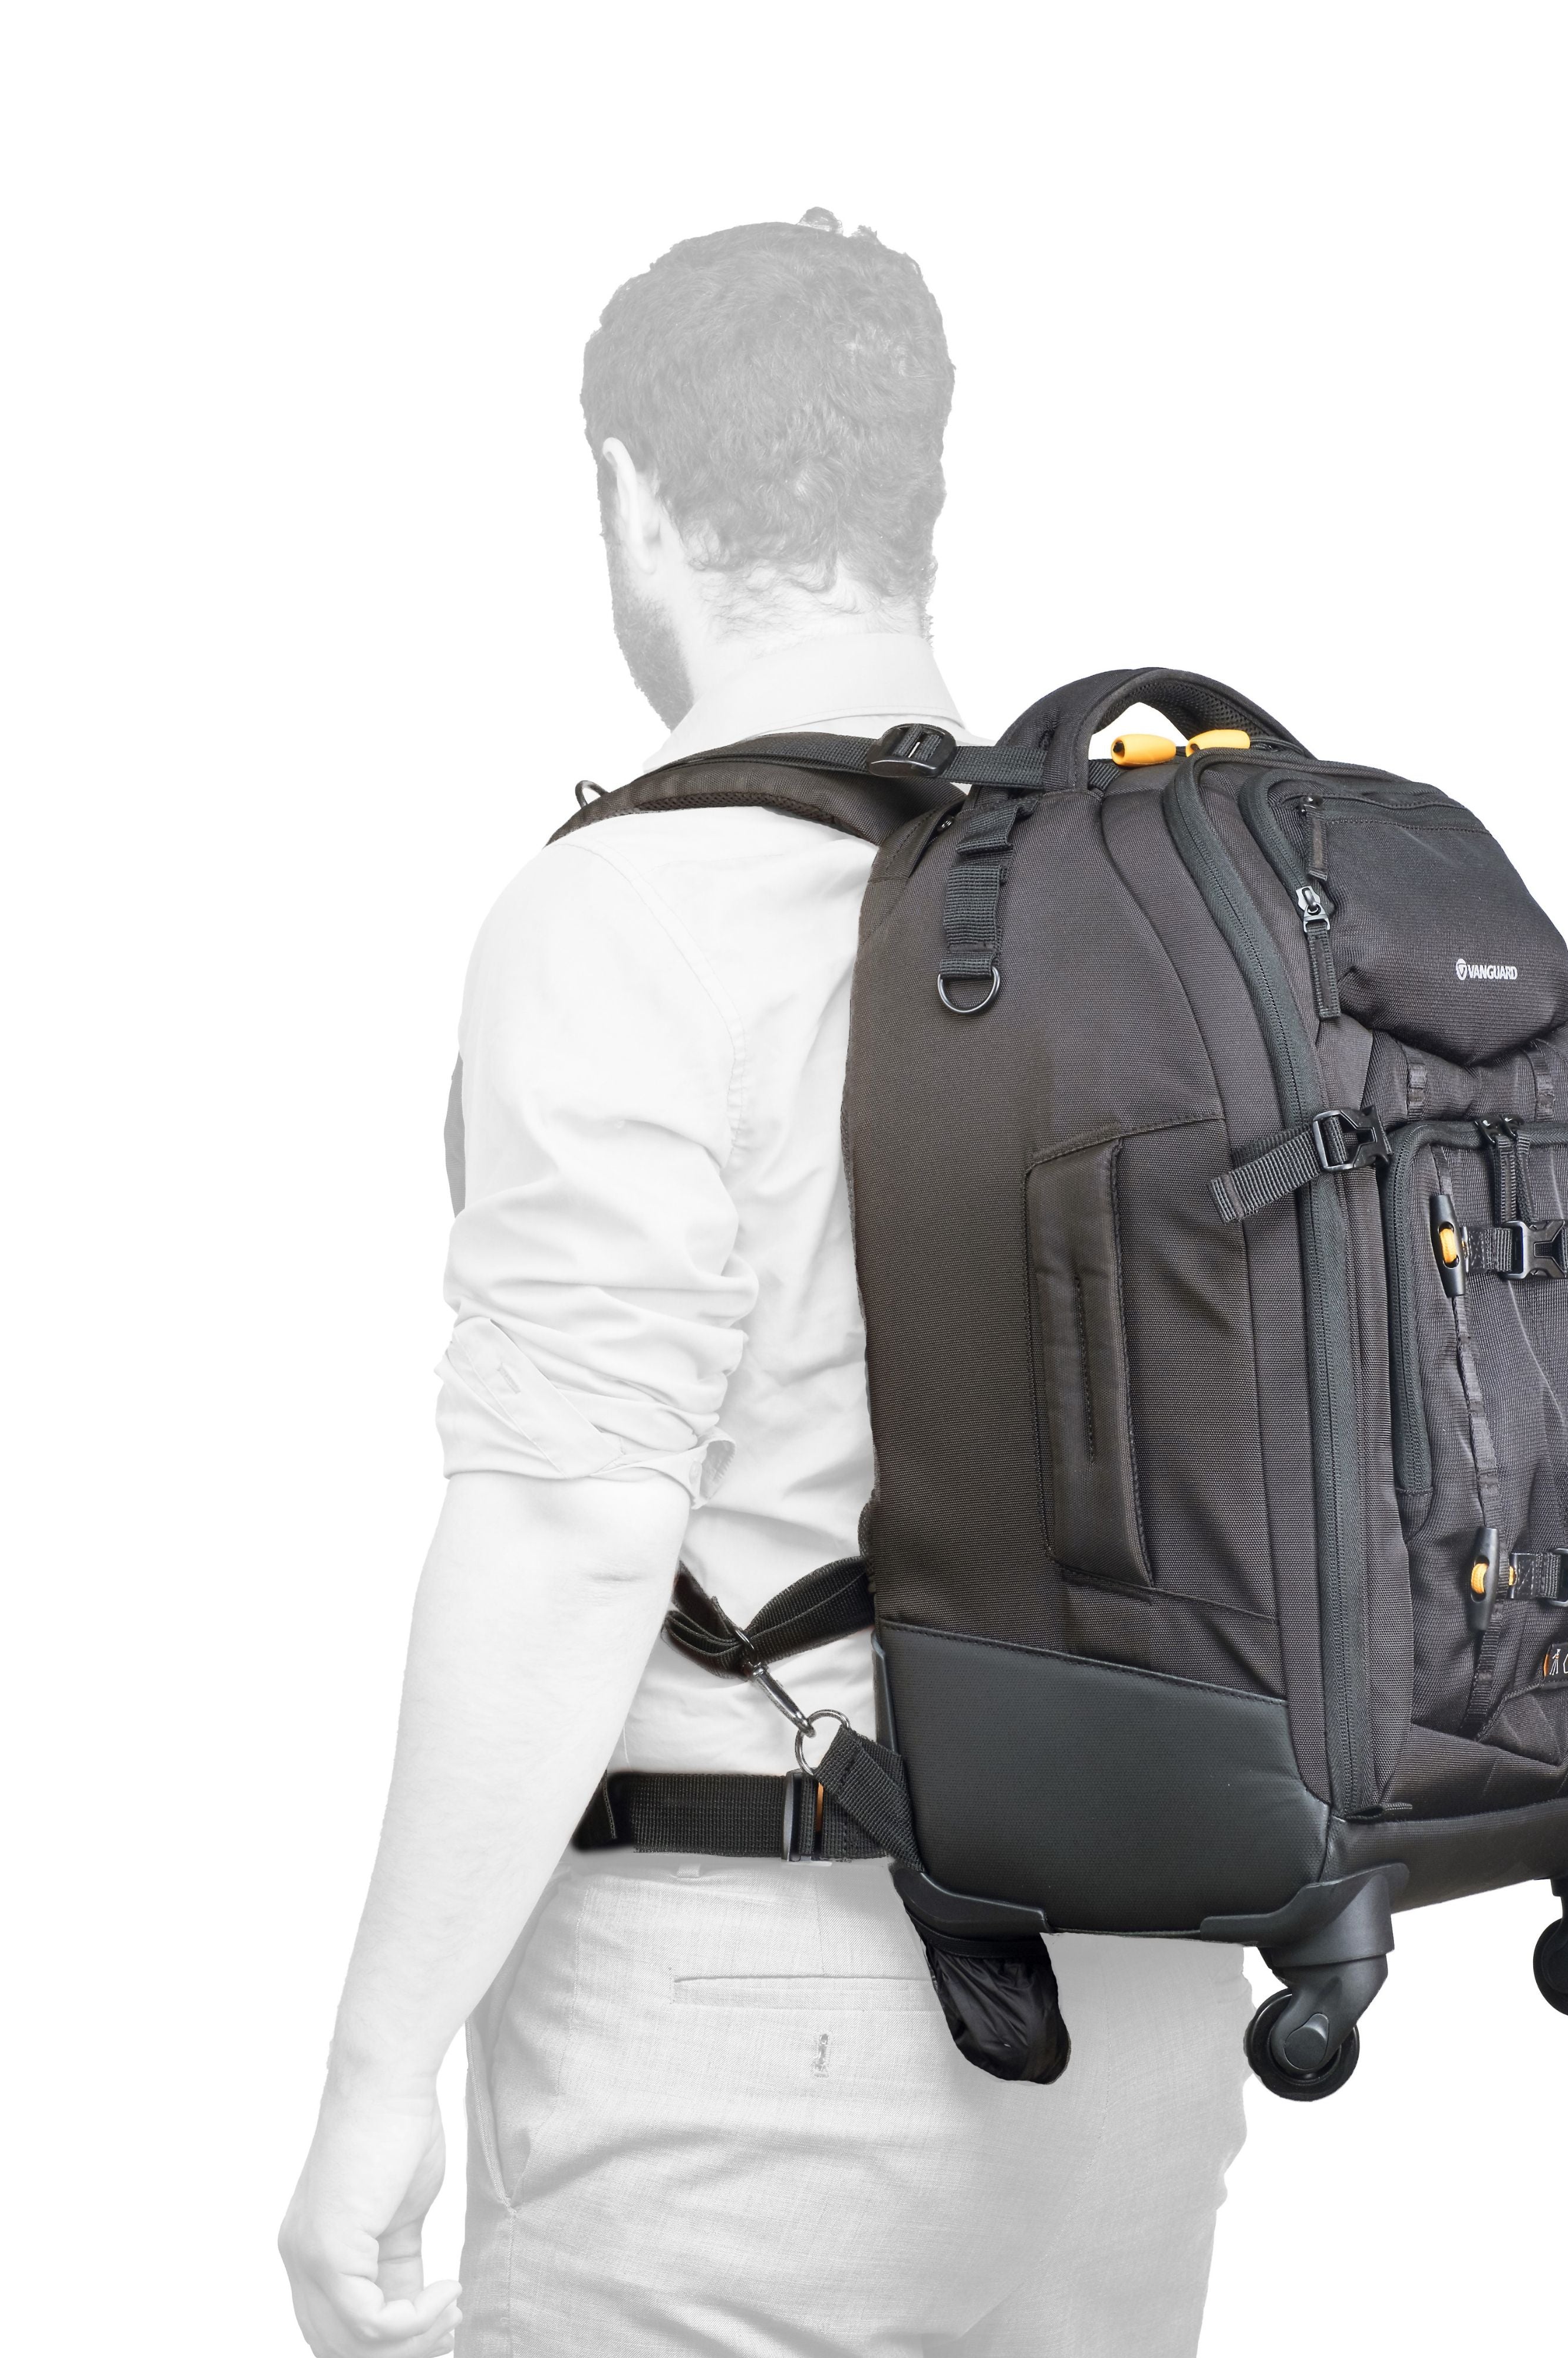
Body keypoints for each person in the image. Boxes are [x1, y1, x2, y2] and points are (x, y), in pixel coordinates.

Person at [279, 209, 1253, 2358]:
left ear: (634, 497)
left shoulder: (633, 910)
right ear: (921, 495)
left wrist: (371, 2075)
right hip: (1148, 2014)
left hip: (744, 2033)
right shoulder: (1153, 891)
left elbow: (570, 1526)